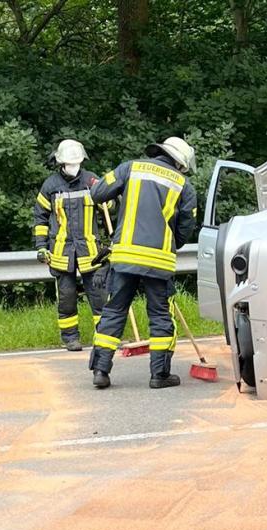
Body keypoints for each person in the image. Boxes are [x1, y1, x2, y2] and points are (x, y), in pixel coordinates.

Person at [88, 137, 198, 389]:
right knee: (160, 315)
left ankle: (101, 371)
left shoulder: (130, 168)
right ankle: (159, 375)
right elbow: (185, 228)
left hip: (125, 256)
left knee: (114, 311)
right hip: (158, 260)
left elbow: (98, 193)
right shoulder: (184, 185)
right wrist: (169, 241)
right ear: (181, 163)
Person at [33, 139, 108, 351]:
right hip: (61, 252)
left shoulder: (92, 181)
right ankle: (70, 338)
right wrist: (41, 246)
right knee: (66, 298)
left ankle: (104, 336)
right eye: (69, 163)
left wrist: (108, 199)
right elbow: (40, 217)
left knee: (99, 296)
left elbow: (109, 209)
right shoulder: (50, 186)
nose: (74, 166)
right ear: (61, 163)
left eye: (77, 163)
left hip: (90, 251)